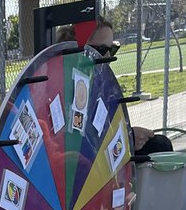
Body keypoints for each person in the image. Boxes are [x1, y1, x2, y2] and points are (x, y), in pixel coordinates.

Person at [58, 18, 173, 159]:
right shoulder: (67, 83)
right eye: (100, 50)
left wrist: (128, 135)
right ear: (78, 48)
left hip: (99, 154)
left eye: (111, 50)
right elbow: (80, 139)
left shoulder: (99, 83)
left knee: (160, 145)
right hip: (81, 160)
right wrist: (128, 137)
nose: (107, 56)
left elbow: (103, 129)